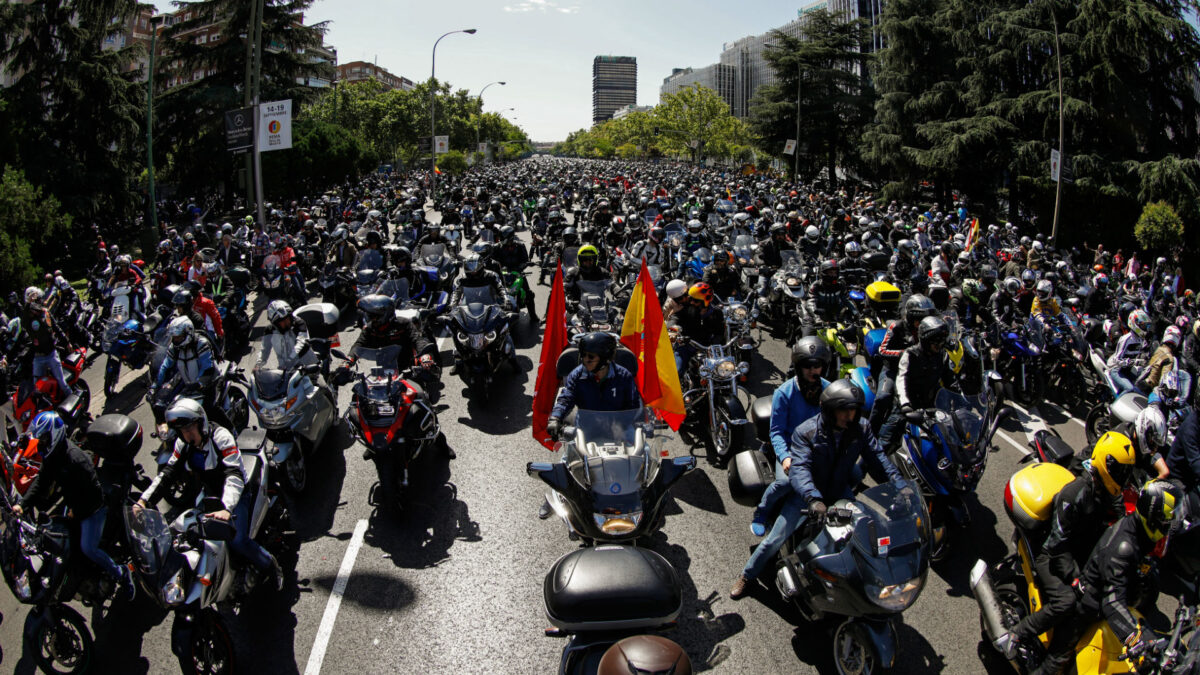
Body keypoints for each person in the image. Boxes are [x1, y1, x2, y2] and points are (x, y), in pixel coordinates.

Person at [730, 380, 904, 599]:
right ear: (831, 410)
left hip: (838, 491)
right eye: (844, 411)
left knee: (865, 532)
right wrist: (813, 499)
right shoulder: (807, 432)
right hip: (807, 495)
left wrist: (900, 485)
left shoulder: (860, 428)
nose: (849, 416)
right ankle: (747, 575)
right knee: (775, 539)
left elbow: (879, 459)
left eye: (853, 411)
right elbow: (799, 469)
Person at [996, 432, 1137, 673]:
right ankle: (1017, 634)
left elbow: (1122, 516)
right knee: (1067, 601)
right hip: (1051, 556)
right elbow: (1057, 543)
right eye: (1120, 471)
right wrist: (1076, 578)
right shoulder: (1075, 494)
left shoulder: (1107, 492)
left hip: (1075, 550)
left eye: (1125, 473)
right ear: (1105, 463)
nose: (1122, 479)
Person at [135, 399, 283, 591]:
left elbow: (234, 474)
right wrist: (143, 501)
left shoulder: (221, 436)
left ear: (200, 423)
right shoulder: (183, 444)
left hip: (236, 495)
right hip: (209, 495)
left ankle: (272, 567)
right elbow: (168, 473)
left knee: (237, 540)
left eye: (190, 428)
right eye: (182, 430)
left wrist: (227, 508)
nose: (187, 434)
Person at [14, 412, 136, 599]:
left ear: (54, 434)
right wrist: (22, 505)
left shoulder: (75, 459)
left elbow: (93, 493)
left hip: (93, 508)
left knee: (88, 548)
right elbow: (41, 481)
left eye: (44, 439)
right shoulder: (54, 456)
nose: (41, 444)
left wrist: (76, 513)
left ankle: (122, 574)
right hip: (76, 505)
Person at [1074, 481, 1182, 665]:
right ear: (1153, 518)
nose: (1169, 525)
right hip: (1091, 603)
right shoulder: (1124, 547)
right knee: (1059, 658)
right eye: (1166, 520)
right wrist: (1133, 639)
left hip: (1115, 594)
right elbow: (1112, 601)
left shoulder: (1142, 534)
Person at [541, 332, 642, 519]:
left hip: (619, 430)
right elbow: (565, 399)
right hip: (587, 429)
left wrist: (642, 424)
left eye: (590, 356)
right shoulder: (577, 375)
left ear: (604, 359)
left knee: (642, 457)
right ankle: (553, 497)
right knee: (567, 463)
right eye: (583, 355)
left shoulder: (623, 376)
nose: (585, 360)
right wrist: (555, 418)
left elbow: (634, 405)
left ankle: (643, 501)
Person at [748, 337, 831, 536]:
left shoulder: (829, 390)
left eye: (817, 365)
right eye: (807, 366)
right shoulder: (784, 393)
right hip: (791, 448)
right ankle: (762, 512)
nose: (813, 371)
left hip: (818, 448)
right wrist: (785, 457)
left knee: (850, 475)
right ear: (799, 367)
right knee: (785, 483)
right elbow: (776, 431)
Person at [882, 316, 957, 453]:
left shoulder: (942, 356)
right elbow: (901, 380)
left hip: (930, 408)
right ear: (926, 340)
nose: (940, 345)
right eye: (936, 342)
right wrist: (905, 405)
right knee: (883, 445)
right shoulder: (910, 354)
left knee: (950, 443)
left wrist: (962, 398)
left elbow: (951, 381)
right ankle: (860, 470)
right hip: (906, 408)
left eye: (942, 341)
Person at [874, 295, 936, 442]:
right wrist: (904, 353)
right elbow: (882, 350)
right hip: (893, 370)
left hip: (916, 373)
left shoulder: (928, 331)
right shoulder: (897, 326)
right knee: (883, 397)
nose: (923, 322)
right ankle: (869, 433)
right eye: (920, 318)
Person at [22, 286, 74, 396]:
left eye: (36, 300)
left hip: (51, 354)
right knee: (37, 388)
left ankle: (74, 401)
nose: (35, 303)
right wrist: (28, 303)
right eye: (32, 301)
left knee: (62, 383)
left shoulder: (45, 313)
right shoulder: (28, 318)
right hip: (38, 357)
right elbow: (24, 319)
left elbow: (56, 327)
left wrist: (67, 342)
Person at [670, 282, 725, 376]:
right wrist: (673, 328)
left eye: (695, 301)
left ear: (705, 301)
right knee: (676, 372)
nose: (691, 302)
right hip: (688, 345)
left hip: (708, 348)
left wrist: (713, 345)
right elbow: (675, 318)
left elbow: (719, 333)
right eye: (690, 299)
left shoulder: (717, 313)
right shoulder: (688, 309)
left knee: (724, 372)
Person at [257, 300, 315, 371]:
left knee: (319, 381)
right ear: (275, 324)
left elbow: (302, 343)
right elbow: (264, 350)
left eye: (287, 319)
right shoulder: (270, 331)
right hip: (285, 369)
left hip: (308, 365)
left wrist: (290, 360)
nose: (287, 323)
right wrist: (258, 365)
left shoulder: (299, 323)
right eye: (282, 322)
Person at [1107, 309, 1151, 394]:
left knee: (1141, 390)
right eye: (1143, 325)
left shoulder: (1141, 340)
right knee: (1130, 389)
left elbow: (1143, 356)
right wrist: (1135, 362)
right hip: (1116, 369)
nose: (1145, 328)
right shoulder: (1126, 339)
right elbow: (1117, 360)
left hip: (1128, 370)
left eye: (1146, 326)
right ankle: (1114, 406)